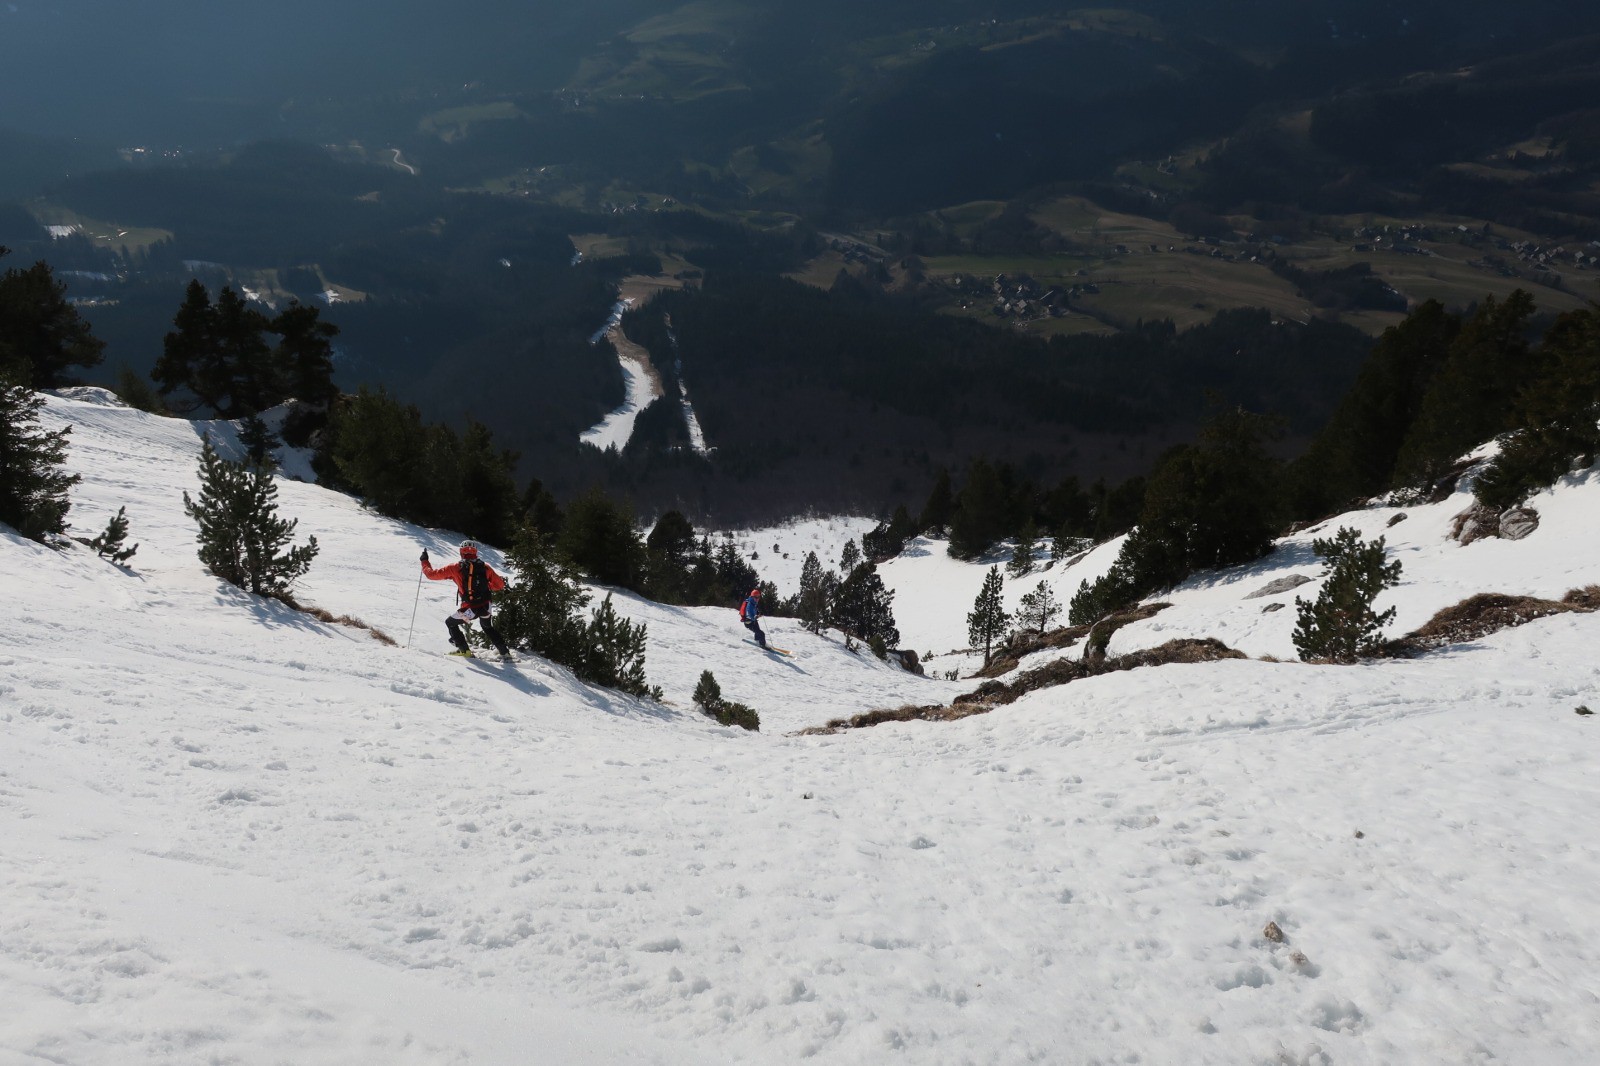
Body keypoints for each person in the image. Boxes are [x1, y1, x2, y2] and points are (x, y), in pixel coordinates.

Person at [421, 540, 513, 660]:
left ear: (461, 552)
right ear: (476, 552)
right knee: (487, 627)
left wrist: (424, 561)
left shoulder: (455, 567)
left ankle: (464, 650)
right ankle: (504, 652)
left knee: (450, 623)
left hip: (470, 610)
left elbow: (431, 575)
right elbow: (500, 585)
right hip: (486, 606)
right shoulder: (485, 567)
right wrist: (487, 586)